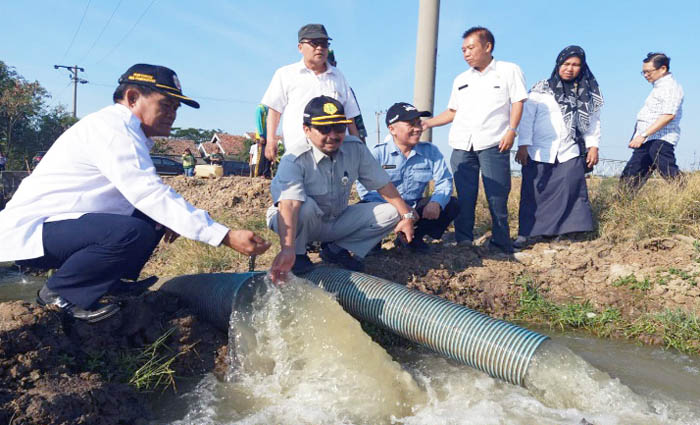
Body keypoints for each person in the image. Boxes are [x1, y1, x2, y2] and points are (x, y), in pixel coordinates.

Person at [0, 64, 270, 323]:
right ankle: (60, 294)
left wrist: (172, 219)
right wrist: (224, 235)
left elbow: (149, 199)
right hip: (34, 232)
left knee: (153, 218)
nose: (173, 114)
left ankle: (109, 284)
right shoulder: (112, 130)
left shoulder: (128, 133)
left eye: (176, 108)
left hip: (63, 226)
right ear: (132, 97)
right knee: (132, 230)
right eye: (166, 105)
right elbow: (149, 194)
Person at [267, 96, 415, 282]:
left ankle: (336, 250)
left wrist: (407, 216)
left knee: (392, 212)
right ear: (307, 130)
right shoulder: (295, 158)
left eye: (339, 127)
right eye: (323, 128)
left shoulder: (355, 148)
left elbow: (383, 184)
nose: (333, 135)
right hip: (296, 220)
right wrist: (287, 249)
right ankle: (298, 255)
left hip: (335, 219)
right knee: (304, 206)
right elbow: (289, 204)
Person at [423, 27, 527, 253]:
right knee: (465, 195)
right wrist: (428, 123)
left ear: (487, 47)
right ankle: (464, 240)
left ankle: (501, 241)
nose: (466, 54)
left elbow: (518, 102)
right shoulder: (461, 79)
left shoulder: (508, 70)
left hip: (493, 142)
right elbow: (452, 111)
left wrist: (512, 130)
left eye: (470, 48)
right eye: (463, 50)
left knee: (497, 195)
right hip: (462, 144)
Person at [514, 46, 603, 248]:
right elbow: (527, 119)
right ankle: (526, 234)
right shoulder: (541, 89)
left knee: (569, 189)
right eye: (566, 64)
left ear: (582, 67)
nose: (570, 69)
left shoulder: (588, 93)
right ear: (558, 64)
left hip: (569, 150)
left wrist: (593, 146)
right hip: (539, 149)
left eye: (575, 65)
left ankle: (564, 233)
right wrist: (523, 145)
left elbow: (593, 122)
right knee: (533, 192)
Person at [357, 102, 459, 253]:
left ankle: (413, 238)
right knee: (363, 209)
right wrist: (400, 209)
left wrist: (436, 203)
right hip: (385, 208)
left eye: (418, 123)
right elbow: (366, 190)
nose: (418, 128)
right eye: (411, 124)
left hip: (414, 208)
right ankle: (373, 241)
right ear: (392, 129)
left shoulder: (430, 152)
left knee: (451, 204)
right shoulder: (378, 154)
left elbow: (444, 181)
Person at [261, 23, 361, 161]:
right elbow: (275, 111)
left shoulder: (338, 77)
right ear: (300, 47)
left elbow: (349, 116)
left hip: (334, 156)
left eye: (324, 43)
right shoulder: (285, 74)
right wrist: (270, 140)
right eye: (314, 43)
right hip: (298, 153)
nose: (320, 48)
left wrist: (358, 146)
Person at [620, 52, 684, 190]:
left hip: (661, 138)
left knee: (668, 171)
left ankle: (690, 198)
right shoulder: (658, 88)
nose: (646, 75)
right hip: (648, 139)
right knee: (631, 174)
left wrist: (643, 135)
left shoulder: (670, 87)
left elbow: (668, 115)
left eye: (649, 72)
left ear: (663, 69)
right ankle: (619, 205)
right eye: (643, 72)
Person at [328, 49, 368, 142]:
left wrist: (361, 146)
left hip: (343, 141)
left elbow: (357, 122)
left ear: (335, 64)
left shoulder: (345, 88)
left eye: (329, 64)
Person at [253, 103, 272, 178]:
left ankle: (266, 172)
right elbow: (258, 123)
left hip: (267, 135)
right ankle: (259, 173)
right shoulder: (259, 108)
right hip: (262, 135)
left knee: (268, 154)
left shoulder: (269, 110)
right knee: (261, 155)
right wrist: (261, 135)